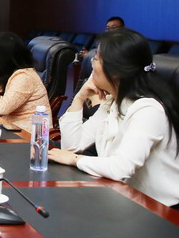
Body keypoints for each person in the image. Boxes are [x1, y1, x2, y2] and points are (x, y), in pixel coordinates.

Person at [49, 29, 179, 206]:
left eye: (96, 59)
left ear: (116, 70)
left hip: (162, 210)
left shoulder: (148, 110)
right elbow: (72, 146)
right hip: (125, 198)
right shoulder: (113, 102)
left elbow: (120, 168)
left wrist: (74, 160)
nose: (92, 64)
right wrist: (79, 97)